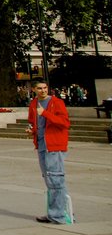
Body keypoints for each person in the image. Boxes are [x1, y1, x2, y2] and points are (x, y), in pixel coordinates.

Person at [27, 79, 74, 224]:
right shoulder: (34, 104)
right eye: (40, 88)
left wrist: (46, 113)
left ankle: (58, 215)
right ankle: (57, 212)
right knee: (49, 178)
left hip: (54, 145)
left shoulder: (56, 102)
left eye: (45, 88)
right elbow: (33, 122)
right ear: (34, 89)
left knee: (55, 178)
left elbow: (65, 123)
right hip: (41, 145)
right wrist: (31, 130)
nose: (43, 91)